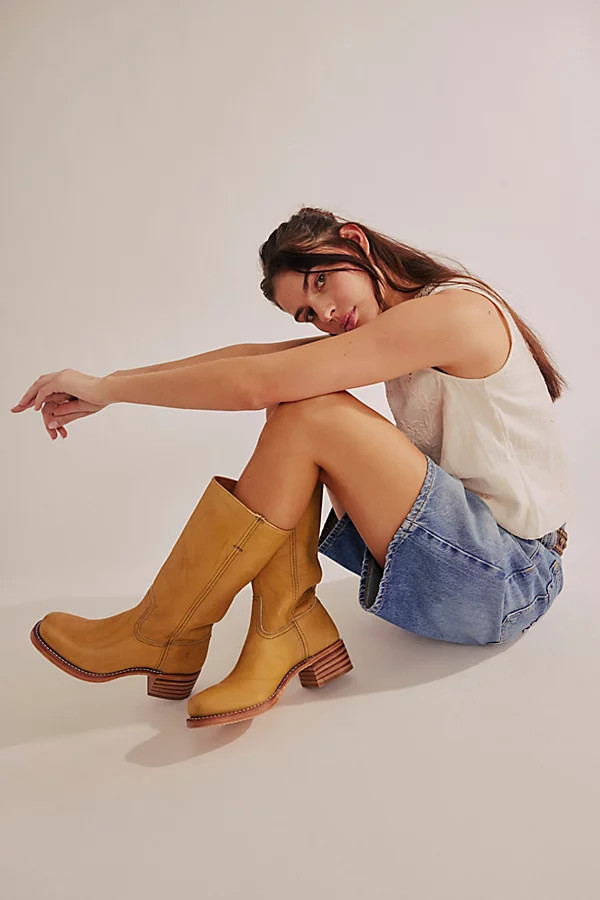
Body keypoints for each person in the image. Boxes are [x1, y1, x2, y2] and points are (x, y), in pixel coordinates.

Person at [12, 206, 570, 728]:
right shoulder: (401, 322)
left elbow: (257, 383)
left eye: (320, 282)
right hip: (467, 564)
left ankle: (164, 631)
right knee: (298, 401)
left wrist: (111, 391)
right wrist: (108, 385)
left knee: (310, 410)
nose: (324, 315)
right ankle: (280, 626)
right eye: (308, 314)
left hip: (510, 578)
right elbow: (255, 360)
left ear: (353, 241)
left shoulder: (455, 313)